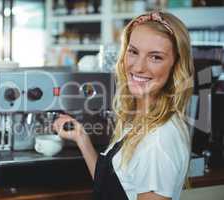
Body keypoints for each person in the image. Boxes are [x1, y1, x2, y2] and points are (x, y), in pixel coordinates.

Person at [53, 11, 194, 200]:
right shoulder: (141, 118)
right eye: (133, 52)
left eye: (155, 57)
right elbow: (114, 188)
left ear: (175, 65)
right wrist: (81, 138)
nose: (138, 67)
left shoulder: (158, 142)